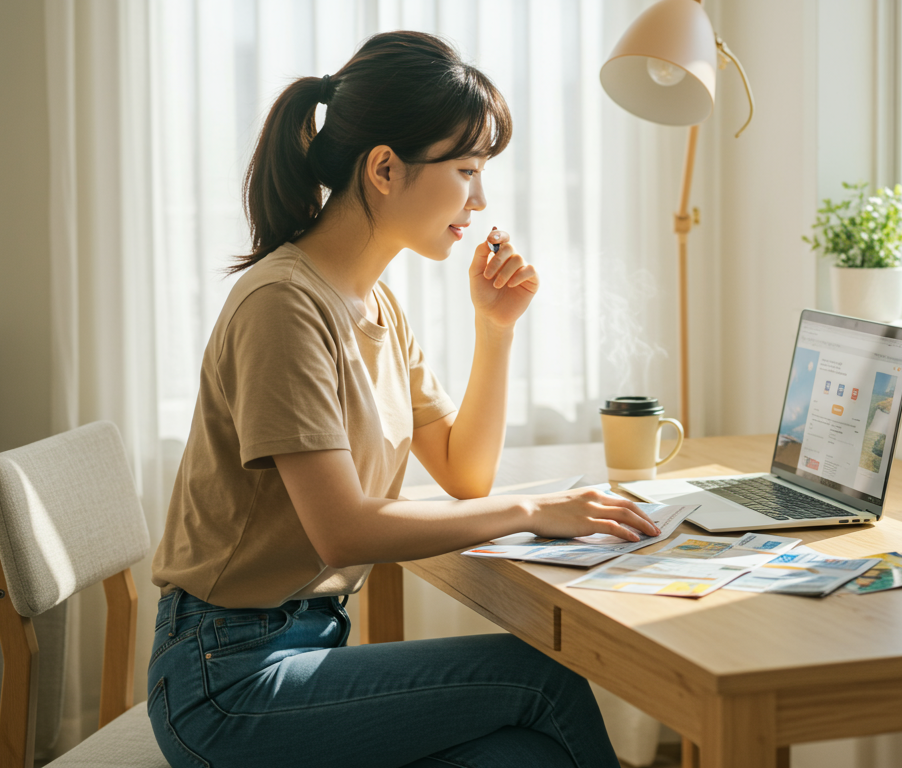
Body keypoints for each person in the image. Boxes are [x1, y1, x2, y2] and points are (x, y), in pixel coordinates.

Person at [147, 31, 658, 768]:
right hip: (225, 684)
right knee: (542, 684)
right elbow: (344, 533)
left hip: (298, 649)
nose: (480, 201)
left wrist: (495, 329)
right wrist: (534, 511)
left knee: (526, 752)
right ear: (385, 169)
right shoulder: (283, 306)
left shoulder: (375, 302)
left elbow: (463, 472)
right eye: (466, 170)